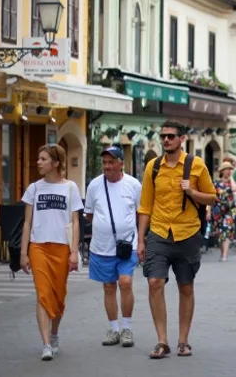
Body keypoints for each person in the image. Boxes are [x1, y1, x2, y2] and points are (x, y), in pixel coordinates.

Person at [138, 120, 217, 359]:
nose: (166, 140)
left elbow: (212, 198)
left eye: (171, 136)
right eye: (163, 136)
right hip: (159, 232)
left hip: (187, 233)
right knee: (154, 282)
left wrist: (192, 192)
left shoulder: (196, 165)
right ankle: (162, 341)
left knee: (186, 286)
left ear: (181, 139)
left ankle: (183, 341)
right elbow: (145, 206)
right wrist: (141, 240)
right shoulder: (153, 167)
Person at [20, 144, 83, 360]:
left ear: (56, 163)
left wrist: (74, 252)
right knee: (43, 294)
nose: (38, 162)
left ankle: (54, 334)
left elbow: (75, 222)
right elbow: (27, 223)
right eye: (39, 158)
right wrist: (24, 252)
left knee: (58, 298)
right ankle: (46, 344)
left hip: (61, 248)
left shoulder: (71, 188)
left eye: (43, 159)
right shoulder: (34, 189)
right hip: (38, 246)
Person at [83, 146, 142, 348]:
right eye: (105, 163)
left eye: (111, 162)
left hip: (127, 244)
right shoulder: (94, 186)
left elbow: (140, 214)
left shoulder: (133, 185)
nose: (107, 166)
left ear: (120, 163)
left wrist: (140, 239)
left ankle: (127, 328)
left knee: (125, 282)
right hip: (101, 246)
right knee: (108, 286)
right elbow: (89, 214)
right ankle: (114, 329)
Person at [208, 161, 236, 262]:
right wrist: (208, 211)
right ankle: (222, 252)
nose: (229, 171)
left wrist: (231, 177)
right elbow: (211, 197)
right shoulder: (216, 183)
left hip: (229, 210)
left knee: (227, 231)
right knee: (219, 233)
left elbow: (234, 189)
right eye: (227, 169)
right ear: (222, 171)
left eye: (230, 169)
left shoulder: (231, 182)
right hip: (218, 210)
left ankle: (225, 255)